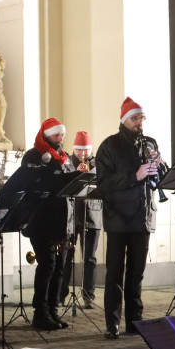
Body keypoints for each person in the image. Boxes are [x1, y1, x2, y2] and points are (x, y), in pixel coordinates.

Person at [95, 97, 158, 338]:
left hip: (143, 218)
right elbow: (103, 183)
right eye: (134, 118)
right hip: (118, 219)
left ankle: (135, 323)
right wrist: (135, 175)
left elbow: (156, 179)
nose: (139, 122)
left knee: (136, 275)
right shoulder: (109, 146)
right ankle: (112, 324)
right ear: (124, 120)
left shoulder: (149, 143)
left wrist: (158, 166)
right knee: (114, 274)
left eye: (141, 118)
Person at [20, 117, 75, 331]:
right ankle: (40, 312)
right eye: (56, 135)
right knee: (47, 265)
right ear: (45, 135)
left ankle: (53, 309)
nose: (60, 138)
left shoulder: (65, 157)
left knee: (60, 267)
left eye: (62, 135)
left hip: (63, 221)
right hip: (41, 221)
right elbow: (31, 183)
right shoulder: (33, 156)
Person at [60, 130, 102, 309]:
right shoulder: (67, 162)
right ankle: (61, 295)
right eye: (79, 150)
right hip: (71, 217)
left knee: (89, 258)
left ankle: (88, 296)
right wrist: (75, 174)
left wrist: (91, 173)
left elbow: (104, 183)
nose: (82, 154)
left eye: (86, 150)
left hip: (92, 216)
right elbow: (63, 184)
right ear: (74, 149)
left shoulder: (98, 163)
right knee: (66, 257)